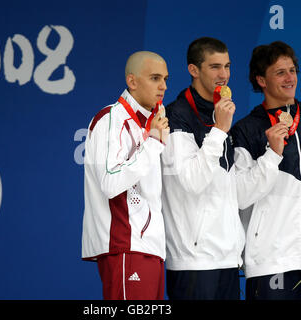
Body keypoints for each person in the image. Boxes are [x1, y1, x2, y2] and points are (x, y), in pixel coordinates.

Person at [231, 41, 301, 300]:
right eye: (280, 72)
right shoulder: (246, 130)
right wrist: (272, 154)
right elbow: (240, 196)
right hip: (270, 262)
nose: (289, 78)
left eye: (292, 70)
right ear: (261, 79)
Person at [161, 37, 245, 300]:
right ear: (193, 70)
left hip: (228, 258)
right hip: (194, 261)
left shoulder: (221, 112)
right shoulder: (176, 114)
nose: (224, 75)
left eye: (227, 66)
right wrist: (219, 130)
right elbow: (191, 181)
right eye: (215, 67)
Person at [81, 51, 170, 300]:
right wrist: (152, 143)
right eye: (154, 78)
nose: (163, 86)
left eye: (165, 78)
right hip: (125, 247)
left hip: (149, 248)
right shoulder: (111, 118)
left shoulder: (150, 123)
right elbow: (110, 183)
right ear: (132, 81)